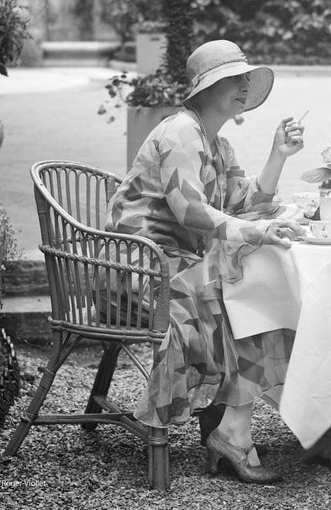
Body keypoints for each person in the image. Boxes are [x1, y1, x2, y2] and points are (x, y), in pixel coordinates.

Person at [108, 39, 307, 484]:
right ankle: (233, 432)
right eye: (233, 80)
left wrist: (278, 155)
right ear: (206, 88)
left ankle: (234, 428)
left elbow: (245, 202)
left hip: (177, 262)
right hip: (141, 267)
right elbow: (191, 212)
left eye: (245, 81)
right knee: (248, 293)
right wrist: (255, 232)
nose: (242, 87)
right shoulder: (180, 131)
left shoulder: (218, 143)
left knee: (255, 290)